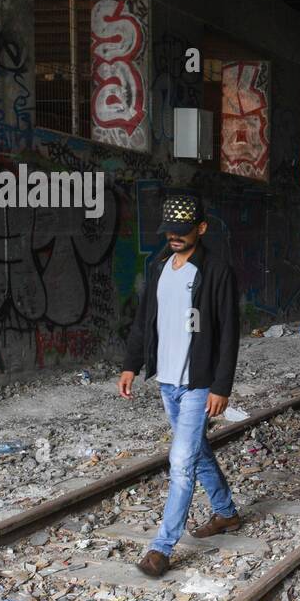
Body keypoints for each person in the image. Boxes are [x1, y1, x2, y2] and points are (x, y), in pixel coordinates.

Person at [119, 194, 242, 577]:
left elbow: (228, 334)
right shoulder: (159, 267)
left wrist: (221, 386)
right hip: (167, 381)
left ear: (200, 229)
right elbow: (144, 322)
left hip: (198, 383)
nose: (173, 237)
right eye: (169, 231)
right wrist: (130, 365)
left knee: (180, 462)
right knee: (196, 452)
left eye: (181, 231)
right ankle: (225, 512)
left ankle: (162, 548)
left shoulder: (215, 271)